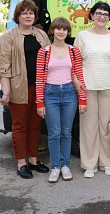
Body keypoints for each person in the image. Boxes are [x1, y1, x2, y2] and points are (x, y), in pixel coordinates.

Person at [0, 0, 51, 179]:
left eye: (31, 13)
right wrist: (6, 92)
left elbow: (50, 61)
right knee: (19, 126)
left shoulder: (41, 35)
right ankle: (21, 163)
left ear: (35, 16)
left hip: (39, 88)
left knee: (35, 126)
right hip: (18, 88)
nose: (28, 16)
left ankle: (33, 160)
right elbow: (3, 67)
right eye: (24, 13)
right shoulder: (8, 38)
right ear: (18, 16)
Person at [74, 2, 110, 178]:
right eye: (99, 13)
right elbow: (76, 63)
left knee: (106, 126)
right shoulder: (82, 36)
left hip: (109, 87)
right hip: (87, 87)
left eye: (105, 14)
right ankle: (89, 164)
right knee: (88, 127)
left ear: (109, 17)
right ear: (92, 15)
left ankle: (107, 162)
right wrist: (78, 85)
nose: (102, 17)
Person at [35, 17, 87, 182]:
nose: (61, 31)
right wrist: (39, 102)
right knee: (54, 132)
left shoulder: (73, 51)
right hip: (50, 94)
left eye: (64, 29)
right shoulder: (44, 52)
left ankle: (65, 166)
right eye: (58, 28)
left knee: (66, 132)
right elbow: (39, 78)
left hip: (70, 93)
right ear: (52, 30)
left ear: (68, 32)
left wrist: (83, 99)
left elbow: (79, 76)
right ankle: (55, 167)